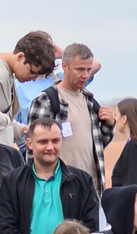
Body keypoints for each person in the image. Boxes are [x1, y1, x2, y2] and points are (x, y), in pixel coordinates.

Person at [24, 43, 114, 187]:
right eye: (79, 69)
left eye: (88, 70)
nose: (85, 75)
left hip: (91, 190)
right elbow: (33, 150)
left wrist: (109, 125)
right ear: (65, 67)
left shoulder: (90, 102)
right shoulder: (46, 100)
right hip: (58, 188)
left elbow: (99, 144)